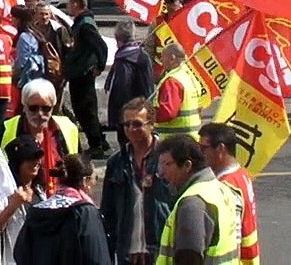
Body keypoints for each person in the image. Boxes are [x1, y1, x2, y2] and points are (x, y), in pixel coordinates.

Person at [101, 97, 174, 265]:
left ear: (151, 124)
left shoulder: (168, 159)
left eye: (137, 124)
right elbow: (108, 211)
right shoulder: (116, 163)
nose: (131, 129)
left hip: (161, 250)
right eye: (127, 125)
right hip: (127, 252)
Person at [155, 134, 241, 265]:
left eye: (167, 164)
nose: (161, 173)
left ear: (187, 165)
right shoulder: (219, 189)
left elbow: (189, 258)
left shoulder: (192, 204)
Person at [13, 154, 111, 264]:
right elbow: (96, 256)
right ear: (85, 181)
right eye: (94, 178)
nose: (94, 183)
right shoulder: (85, 212)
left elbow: (20, 253)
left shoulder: (37, 210)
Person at [2, 79, 80, 196]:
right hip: (20, 199)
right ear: (24, 106)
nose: (39, 114)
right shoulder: (6, 129)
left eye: (46, 108)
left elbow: (77, 169)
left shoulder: (68, 128)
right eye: (33, 108)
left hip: (60, 199)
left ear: (53, 108)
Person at [199, 123, 259, 265]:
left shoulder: (226, 186)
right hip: (248, 256)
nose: (200, 153)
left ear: (220, 148)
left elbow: (231, 232)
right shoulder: (241, 175)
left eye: (203, 148)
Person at [63, 0, 110, 156]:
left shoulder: (85, 24)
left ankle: (96, 144)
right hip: (78, 72)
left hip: (83, 73)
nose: (67, 6)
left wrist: (100, 66)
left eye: (69, 4)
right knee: (82, 109)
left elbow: (101, 45)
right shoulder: (80, 22)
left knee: (86, 109)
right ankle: (99, 141)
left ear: (76, 4)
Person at [0, 136, 47, 263]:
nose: (36, 162)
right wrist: (12, 206)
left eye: (38, 158)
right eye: (30, 158)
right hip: (10, 259)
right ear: (17, 163)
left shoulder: (40, 192)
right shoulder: (3, 192)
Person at [107, 20, 155, 146]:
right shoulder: (142, 55)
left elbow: (121, 91)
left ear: (118, 39)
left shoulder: (124, 61)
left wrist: (118, 118)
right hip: (142, 110)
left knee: (129, 147)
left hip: (130, 114)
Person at [152, 44, 202, 140]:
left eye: (163, 57)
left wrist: (148, 116)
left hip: (174, 139)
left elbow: (168, 112)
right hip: (192, 135)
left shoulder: (172, 81)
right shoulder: (189, 76)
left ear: (172, 58)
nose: (161, 60)